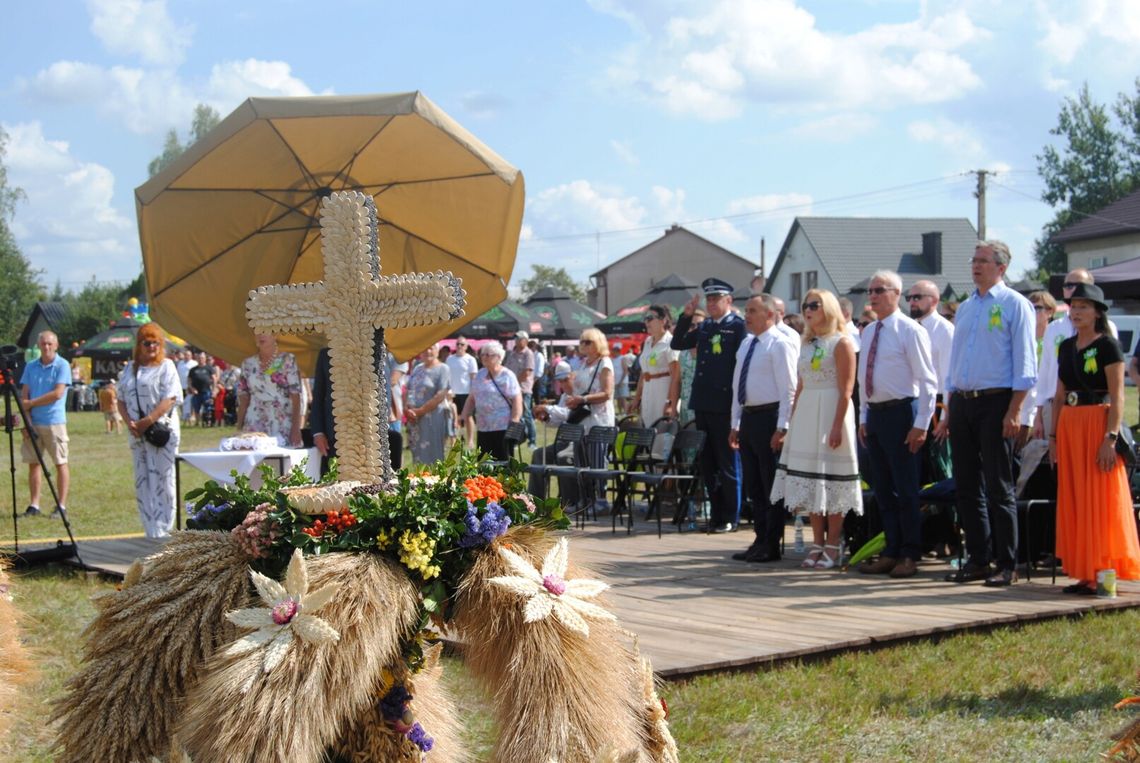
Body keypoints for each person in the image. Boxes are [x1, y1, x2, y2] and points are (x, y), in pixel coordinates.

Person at [937, 240, 1036, 587]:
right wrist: (950, 410)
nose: (975, 266)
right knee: (965, 485)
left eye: (983, 261)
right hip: (963, 400)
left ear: (1002, 267)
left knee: (998, 484)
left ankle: (1007, 563)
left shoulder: (1015, 305)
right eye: (973, 260)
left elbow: (1026, 362)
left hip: (997, 401)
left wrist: (1015, 410)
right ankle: (978, 558)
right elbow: (955, 361)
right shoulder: (965, 308)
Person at [1048, 283, 1140, 594]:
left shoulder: (1108, 347)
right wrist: (1053, 437)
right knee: (1075, 496)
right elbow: (1059, 395)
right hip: (1070, 425)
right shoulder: (1065, 346)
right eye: (1073, 306)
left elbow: (1118, 396)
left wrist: (1110, 438)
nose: (1076, 312)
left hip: (1097, 422)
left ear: (1098, 312)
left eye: (1083, 306)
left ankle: (1101, 570)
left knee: (1097, 497)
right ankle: (1082, 569)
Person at [855, 271, 937, 579]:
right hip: (876, 415)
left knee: (906, 489)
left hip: (903, 412)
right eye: (870, 290)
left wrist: (921, 423)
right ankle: (890, 550)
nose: (873, 295)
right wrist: (864, 417)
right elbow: (865, 377)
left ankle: (909, 554)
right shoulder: (869, 331)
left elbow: (928, 380)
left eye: (879, 290)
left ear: (896, 293)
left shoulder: (909, 330)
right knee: (883, 490)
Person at [771, 290, 862, 568]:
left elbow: (847, 390)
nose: (809, 310)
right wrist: (792, 421)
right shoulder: (806, 343)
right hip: (808, 410)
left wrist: (836, 427)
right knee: (810, 482)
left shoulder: (842, 343)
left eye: (815, 305)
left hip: (832, 409)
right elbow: (799, 386)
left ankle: (834, 544)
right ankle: (817, 542)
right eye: (806, 305)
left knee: (832, 481)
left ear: (829, 309)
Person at [671, 279, 747, 533]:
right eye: (709, 299)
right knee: (708, 464)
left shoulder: (738, 327)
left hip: (725, 404)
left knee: (727, 464)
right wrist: (686, 315)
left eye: (717, 299)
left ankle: (731, 516)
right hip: (702, 403)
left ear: (729, 301)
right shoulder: (704, 327)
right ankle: (715, 515)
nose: (712, 303)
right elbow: (677, 343)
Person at [729, 295, 797, 563]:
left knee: (771, 484)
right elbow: (737, 387)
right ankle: (759, 538)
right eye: (746, 310)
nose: (747, 315)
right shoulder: (747, 344)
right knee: (754, 484)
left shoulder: (779, 344)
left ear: (769, 315)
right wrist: (735, 423)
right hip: (749, 417)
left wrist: (782, 427)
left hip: (770, 417)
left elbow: (788, 390)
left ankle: (772, 542)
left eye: (753, 311)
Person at [1033, 268, 1117, 443]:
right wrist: (1038, 412)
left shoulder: (1107, 331)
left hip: (1094, 407)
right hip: (1054, 405)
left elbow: (1116, 386)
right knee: (1060, 465)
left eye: (1077, 285)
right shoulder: (1054, 328)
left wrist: (1112, 433)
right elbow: (1045, 371)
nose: (1071, 289)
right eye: (1067, 285)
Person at [117, 323, 182, 538]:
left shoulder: (167, 366)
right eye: (147, 342)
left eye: (156, 342)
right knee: (142, 478)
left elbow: (170, 398)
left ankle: (164, 527)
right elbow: (120, 399)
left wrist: (147, 421)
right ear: (139, 345)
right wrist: (131, 423)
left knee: (163, 478)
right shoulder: (130, 368)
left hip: (160, 431)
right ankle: (149, 527)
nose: (151, 346)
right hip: (137, 434)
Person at [18, 331, 71, 518]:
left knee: (60, 463)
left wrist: (31, 404)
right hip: (34, 422)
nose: (46, 347)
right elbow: (24, 394)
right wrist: (27, 420)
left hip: (54, 421)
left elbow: (57, 393)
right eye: (43, 344)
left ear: (56, 346)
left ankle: (61, 505)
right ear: (38, 346)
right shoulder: (31, 367)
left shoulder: (62, 365)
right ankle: (34, 504)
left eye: (49, 344)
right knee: (33, 463)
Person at [235, 333, 303, 447]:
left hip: (281, 422)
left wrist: (296, 428)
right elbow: (243, 400)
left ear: (275, 335)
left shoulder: (287, 360)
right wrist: (238, 429)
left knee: (280, 462)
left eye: (265, 331)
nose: (261, 335)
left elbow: (296, 398)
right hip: (254, 423)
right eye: (257, 332)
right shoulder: (247, 364)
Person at [459, 340, 522, 460]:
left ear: (499, 357)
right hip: (483, 426)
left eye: (488, 355)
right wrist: (464, 414)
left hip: (503, 426)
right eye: (483, 354)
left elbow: (517, 399)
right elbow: (472, 397)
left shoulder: (507, 375)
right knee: (484, 463)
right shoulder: (480, 374)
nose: (484, 357)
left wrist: (515, 420)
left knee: (503, 462)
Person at [630, 304, 680, 425]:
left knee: (661, 433)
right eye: (645, 318)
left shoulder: (671, 342)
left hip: (662, 393)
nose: (647, 321)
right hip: (648, 393)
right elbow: (644, 372)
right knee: (647, 431)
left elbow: (675, 377)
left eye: (650, 318)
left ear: (663, 320)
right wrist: (637, 398)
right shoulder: (647, 342)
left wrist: (670, 403)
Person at [404, 343, 451, 466]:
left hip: (432, 418)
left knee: (433, 455)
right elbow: (408, 389)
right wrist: (407, 410)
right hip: (414, 419)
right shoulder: (417, 367)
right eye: (424, 348)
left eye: (431, 348)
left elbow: (441, 395)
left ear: (437, 350)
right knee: (417, 455)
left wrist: (420, 411)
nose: (427, 351)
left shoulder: (443, 369)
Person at [505, 331, 537, 448]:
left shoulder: (528, 354)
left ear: (525, 340)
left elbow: (527, 372)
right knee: (516, 415)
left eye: (519, 339)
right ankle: (518, 440)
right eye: (516, 339)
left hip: (523, 389)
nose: (517, 341)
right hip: (512, 390)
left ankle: (532, 441)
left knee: (527, 415)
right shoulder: (512, 354)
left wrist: (514, 384)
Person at [446, 336, 478, 449]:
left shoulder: (470, 359)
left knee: (468, 417)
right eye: (458, 344)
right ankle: (453, 441)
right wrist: (448, 390)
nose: (459, 346)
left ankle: (470, 441)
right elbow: (447, 376)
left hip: (466, 392)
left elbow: (473, 377)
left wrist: (472, 393)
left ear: (466, 347)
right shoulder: (450, 359)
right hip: (452, 393)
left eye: (462, 344)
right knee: (452, 417)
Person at [677, 307, 705, 428]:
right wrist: (672, 406)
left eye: (700, 325)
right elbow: (676, 381)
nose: (695, 329)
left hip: (705, 406)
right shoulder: (683, 353)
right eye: (691, 325)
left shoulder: (711, 350)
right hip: (686, 405)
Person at [187, 352, 217, 426]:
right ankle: (197, 422)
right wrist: (192, 388)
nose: (201, 359)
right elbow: (189, 380)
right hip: (196, 392)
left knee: (208, 407)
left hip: (206, 391)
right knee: (196, 407)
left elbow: (214, 379)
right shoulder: (193, 370)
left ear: (205, 359)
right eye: (199, 358)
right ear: (197, 359)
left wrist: (214, 390)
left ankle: (208, 422)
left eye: (202, 358)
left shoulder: (209, 368)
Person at [175, 349, 197, 422]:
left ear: (191, 356)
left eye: (188, 355)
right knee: (181, 401)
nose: (187, 356)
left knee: (191, 402)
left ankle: (192, 415)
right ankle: (183, 415)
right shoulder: (180, 363)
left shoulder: (194, 363)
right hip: (181, 385)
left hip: (190, 386)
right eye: (185, 355)